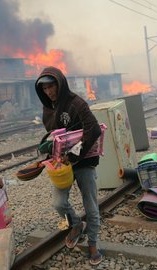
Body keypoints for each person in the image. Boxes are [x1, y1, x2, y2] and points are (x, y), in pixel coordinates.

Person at [35, 66, 103, 265]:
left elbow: (94, 129)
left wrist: (74, 156)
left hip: (84, 161)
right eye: (45, 88)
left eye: (52, 86)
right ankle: (75, 224)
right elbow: (53, 138)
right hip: (62, 165)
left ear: (60, 83)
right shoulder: (47, 109)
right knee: (58, 203)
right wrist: (46, 157)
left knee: (90, 206)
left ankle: (93, 244)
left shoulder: (76, 103)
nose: (49, 91)